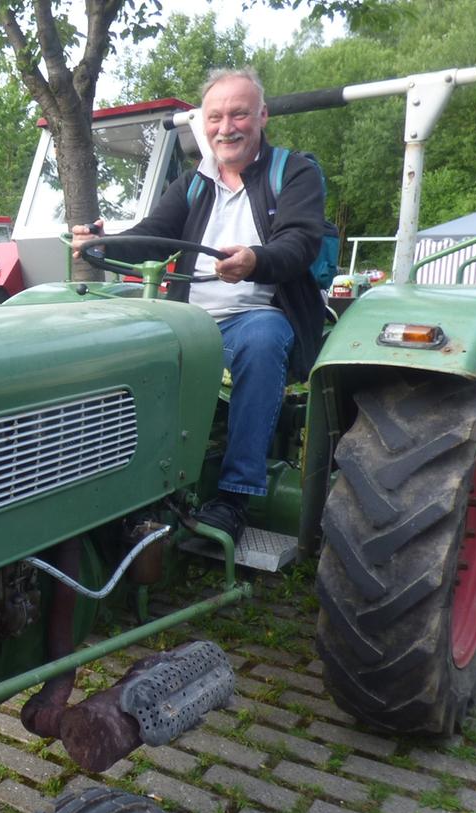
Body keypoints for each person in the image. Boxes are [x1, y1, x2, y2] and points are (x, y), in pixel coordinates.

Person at [71, 67, 326, 545]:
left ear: (262, 117)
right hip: (190, 320)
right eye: (215, 117)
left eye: (239, 114)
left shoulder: (293, 173)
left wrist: (256, 260)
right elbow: (152, 236)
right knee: (119, 342)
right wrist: (101, 244)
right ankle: (122, 484)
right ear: (203, 124)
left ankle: (234, 495)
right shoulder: (194, 183)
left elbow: (300, 242)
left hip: (259, 316)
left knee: (262, 340)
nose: (226, 127)